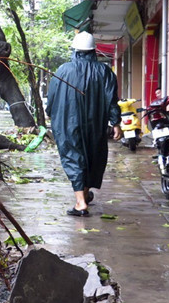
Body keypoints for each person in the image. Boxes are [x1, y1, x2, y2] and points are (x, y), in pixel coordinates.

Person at [46, 31, 122, 216]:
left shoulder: (63, 70)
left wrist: (51, 115)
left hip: (67, 122)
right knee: (91, 157)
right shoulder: (104, 71)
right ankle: (84, 196)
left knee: (73, 157)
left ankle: (81, 203)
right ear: (93, 50)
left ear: (75, 50)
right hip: (95, 123)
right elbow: (111, 99)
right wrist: (116, 122)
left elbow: (52, 98)